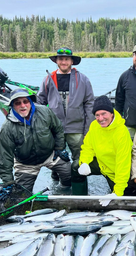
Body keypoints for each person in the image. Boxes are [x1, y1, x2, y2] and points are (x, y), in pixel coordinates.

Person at [71, 95, 136, 204]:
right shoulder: (94, 126)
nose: (100, 118)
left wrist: (117, 192)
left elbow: (122, 165)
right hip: (101, 164)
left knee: (125, 201)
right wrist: (84, 162)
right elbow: (88, 147)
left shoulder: (121, 133)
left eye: (104, 114)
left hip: (117, 172)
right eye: (97, 115)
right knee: (75, 167)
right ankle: (80, 202)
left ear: (111, 113)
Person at [0, 89, 71, 193]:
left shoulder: (45, 112)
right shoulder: (7, 127)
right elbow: (4, 156)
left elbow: (58, 129)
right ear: (12, 105)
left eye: (25, 101)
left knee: (69, 174)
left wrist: (59, 148)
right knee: (22, 194)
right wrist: (8, 182)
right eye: (18, 103)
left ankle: (60, 186)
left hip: (50, 155)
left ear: (31, 102)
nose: (23, 106)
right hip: (25, 164)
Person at [37, 47, 95, 180]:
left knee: (80, 159)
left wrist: (88, 129)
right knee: (56, 159)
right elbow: (40, 103)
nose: (64, 62)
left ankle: (79, 186)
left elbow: (89, 104)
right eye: (61, 59)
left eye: (66, 59)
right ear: (56, 61)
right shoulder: (48, 79)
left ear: (72, 61)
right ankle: (58, 185)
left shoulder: (83, 79)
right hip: (54, 129)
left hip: (77, 128)